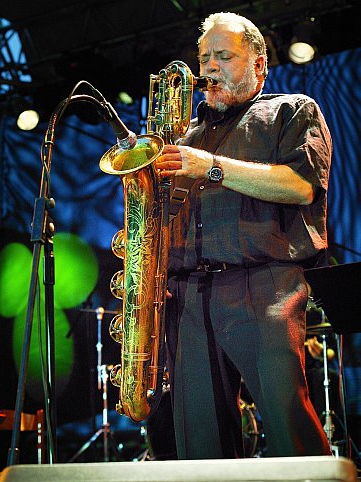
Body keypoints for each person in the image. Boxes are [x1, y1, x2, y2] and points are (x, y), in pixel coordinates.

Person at [155, 12, 332, 458]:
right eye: (204, 58)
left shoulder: (291, 110)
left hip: (264, 286)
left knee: (287, 422)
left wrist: (210, 166)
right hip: (188, 294)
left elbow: (300, 184)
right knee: (199, 443)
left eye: (223, 56)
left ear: (259, 64)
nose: (209, 68)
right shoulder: (185, 135)